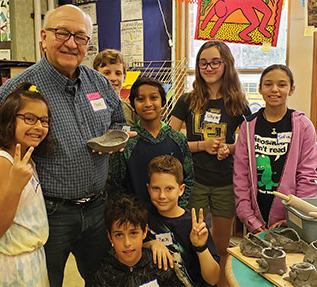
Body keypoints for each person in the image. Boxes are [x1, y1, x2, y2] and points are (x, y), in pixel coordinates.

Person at [0, 5, 126, 286]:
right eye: (62, 33)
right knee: (48, 281)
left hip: (97, 207)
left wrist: (115, 138)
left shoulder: (98, 82)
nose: (71, 43)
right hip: (51, 213)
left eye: (80, 37)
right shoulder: (21, 86)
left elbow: (119, 121)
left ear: (88, 44)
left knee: (102, 280)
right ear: (43, 37)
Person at [169, 40, 250, 286]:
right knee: (195, 241)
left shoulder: (238, 103)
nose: (209, 67)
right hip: (195, 181)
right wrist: (201, 146)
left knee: (223, 245)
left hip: (226, 182)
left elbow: (247, 143)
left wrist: (230, 147)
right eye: (203, 62)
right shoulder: (187, 100)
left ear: (226, 65)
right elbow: (171, 139)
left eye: (215, 62)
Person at [0, 82, 53, 286]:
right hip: (14, 267)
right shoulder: (0, 161)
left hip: (31, 259)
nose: (38, 126)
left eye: (44, 121)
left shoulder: (23, 155)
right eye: (29, 118)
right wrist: (15, 186)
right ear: (10, 119)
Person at [234, 64, 317, 234]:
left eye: (281, 85)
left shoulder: (303, 126)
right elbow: (240, 175)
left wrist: (294, 217)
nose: (274, 89)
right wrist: (249, 217)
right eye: (268, 84)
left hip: (288, 220)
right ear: (260, 89)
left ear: (291, 89)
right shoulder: (248, 126)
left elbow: (307, 176)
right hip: (256, 217)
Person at [110, 77, 194, 207]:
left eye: (154, 98)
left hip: (172, 217)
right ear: (132, 105)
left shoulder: (177, 138)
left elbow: (188, 179)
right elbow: (118, 186)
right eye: (140, 99)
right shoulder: (127, 141)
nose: (148, 104)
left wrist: (177, 209)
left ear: (163, 102)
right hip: (138, 218)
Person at [146, 155, 220, 287]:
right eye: (156, 188)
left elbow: (213, 279)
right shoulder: (144, 218)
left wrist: (201, 247)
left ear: (181, 190)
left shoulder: (194, 225)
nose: (162, 196)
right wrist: (151, 244)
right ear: (148, 189)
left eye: (169, 189)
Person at [92, 194, 183, 287]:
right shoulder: (103, 273)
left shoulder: (159, 264)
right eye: (119, 235)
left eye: (133, 233)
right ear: (110, 236)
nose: (127, 243)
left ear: (144, 232)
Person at [93, 48, 139, 126]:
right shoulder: (89, 108)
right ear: (95, 76)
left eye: (118, 73)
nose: (113, 78)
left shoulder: (131, 110)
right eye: (107, 73)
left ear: (124, 77)